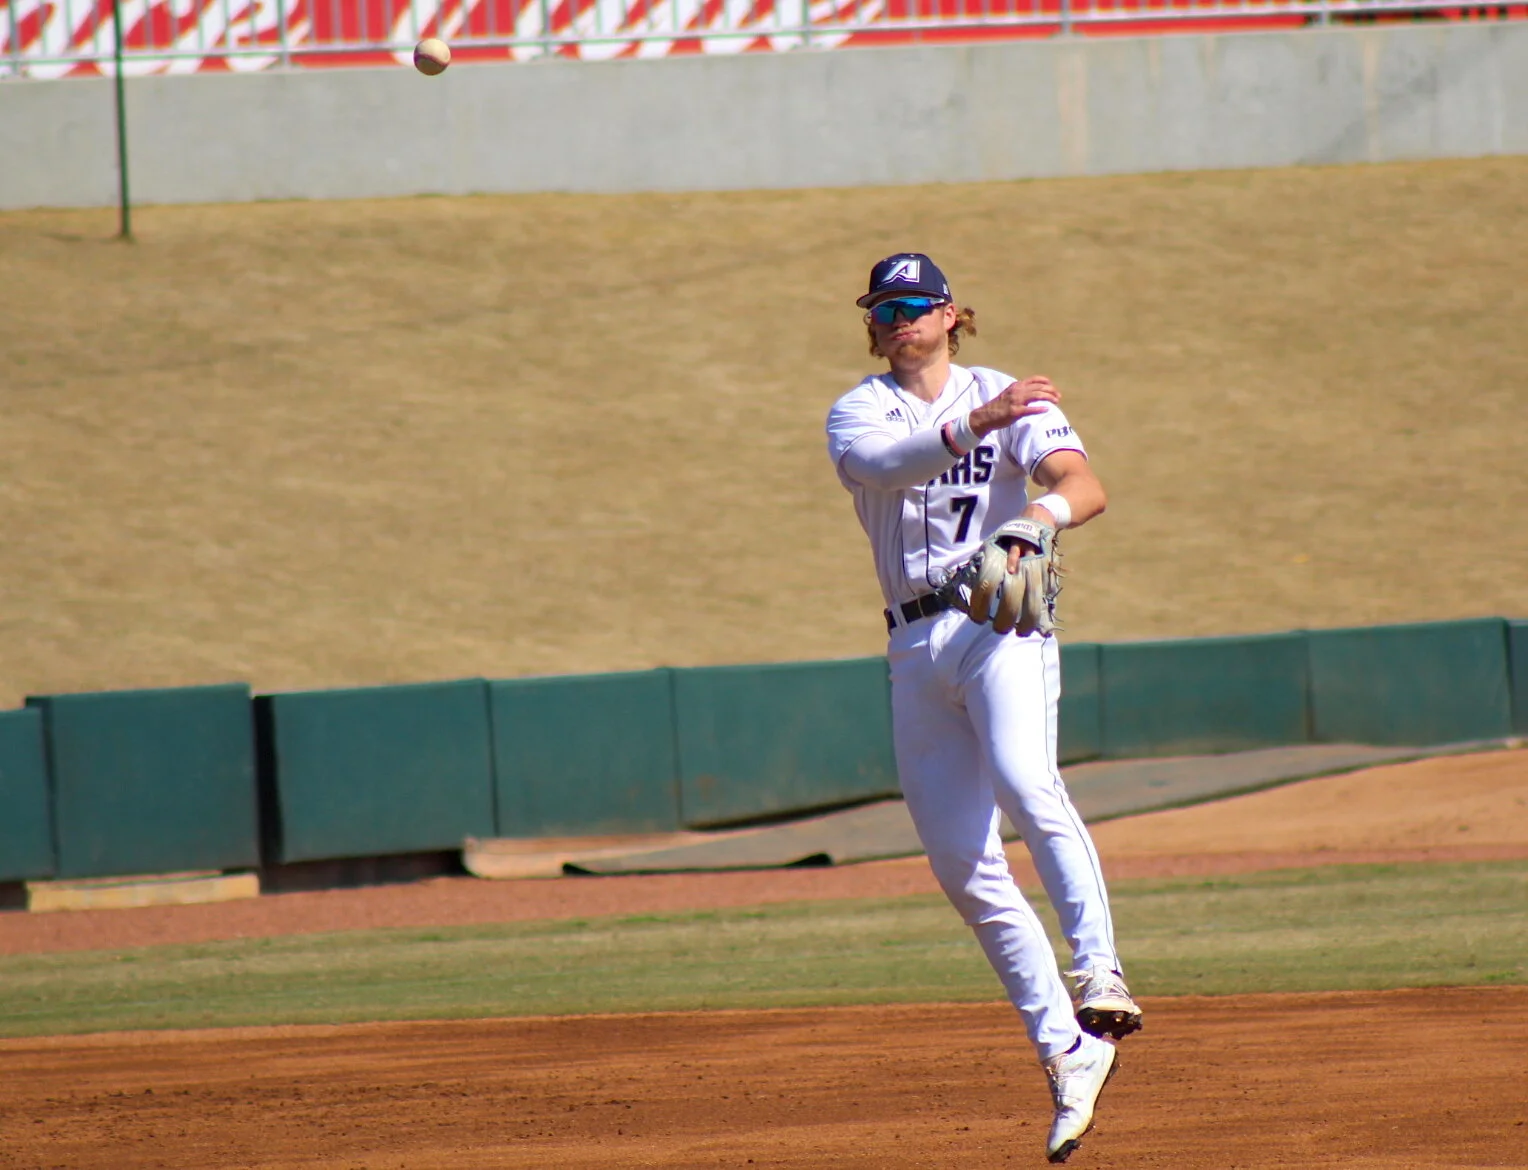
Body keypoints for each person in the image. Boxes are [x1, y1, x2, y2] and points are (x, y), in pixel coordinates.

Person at [824, 253, 1140, 1164]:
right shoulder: (859, 409)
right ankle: (1067, 1051)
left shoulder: (1011, 393)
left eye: (916, 304)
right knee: (962, 866)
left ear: (951, 315)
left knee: (1025, 783)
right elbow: (883, 465)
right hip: (912, 645)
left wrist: (1039, 517)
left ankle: (1100, 971)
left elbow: (1085, 486)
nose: (900, 319)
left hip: (998, 623)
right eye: (885, 308)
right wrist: (980, 423)